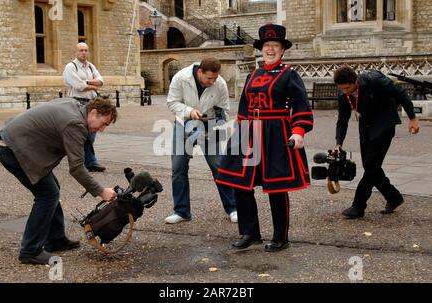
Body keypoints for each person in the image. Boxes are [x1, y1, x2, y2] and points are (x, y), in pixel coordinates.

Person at [215, 23, 313, 252]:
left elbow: (301, 107)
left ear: (282, 49)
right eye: (266, 45)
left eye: (275, 45)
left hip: (276, 132)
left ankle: (281, 237)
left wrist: (298, 131)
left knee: (276, 187)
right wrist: (238, 130)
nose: (270, 49)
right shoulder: (253, 74)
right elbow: (244, 105)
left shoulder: (289, 75)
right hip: (248, 132)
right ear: (261, 48)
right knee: (239, 182)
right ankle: (250, 232)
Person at [0, 97, 118, 264]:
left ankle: (56, 239)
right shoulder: (75, 124)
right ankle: (30, 250)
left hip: (14, 143)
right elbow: (76, 168)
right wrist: (101, 192)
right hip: (12, 149)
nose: (102, 129)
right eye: (103, 123)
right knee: (47, 195)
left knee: (52, 189)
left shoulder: (76, 107)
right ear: (94, 112)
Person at [333, 66, 420, 218]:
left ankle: (358, 206)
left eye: (347, 88)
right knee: (370, 166)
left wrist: (413, 118)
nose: (345, 92)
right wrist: (339, 142)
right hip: (366, 126)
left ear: (355, 82)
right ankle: (394, 197)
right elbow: (342, 120)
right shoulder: (343, 94)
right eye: (342, 89)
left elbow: (401, 93)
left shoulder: (374, 80)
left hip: (384, 123)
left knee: (371, 165)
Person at [165, 58, 237, 224]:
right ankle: (181, 212)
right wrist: (189, 111)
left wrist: (218, 120)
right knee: (178, 167)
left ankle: (233, 208)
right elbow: (172, 102)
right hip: (184, 122)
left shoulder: (220, 83)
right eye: (209, 78)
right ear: (200, 72)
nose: (212, 82)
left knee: (219, 166)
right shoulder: (180, 77)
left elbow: (224, 108)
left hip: (210, 124)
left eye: (215, 78)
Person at [63, 42, 106, 172]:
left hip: (91, 103)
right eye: (81, 50)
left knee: (91, 133)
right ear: (75, 52)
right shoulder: (71, 67)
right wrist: (93, 85)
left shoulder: (91, 67)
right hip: (77, 102)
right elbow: (78, 86)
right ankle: (80, 162)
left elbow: (101, 81)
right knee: (78, 133)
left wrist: (86, 82)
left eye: (86, 50)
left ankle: (90, 162)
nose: (84, 53)